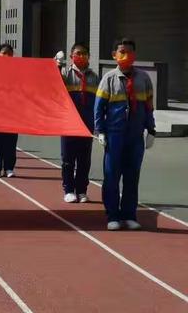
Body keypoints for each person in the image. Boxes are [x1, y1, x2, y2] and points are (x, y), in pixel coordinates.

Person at [95, 38, 156, 231]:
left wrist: (151, 129)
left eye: (130, 52)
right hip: (115, 135)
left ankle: (129, 214)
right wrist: (100, 131)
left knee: (132, 176)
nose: (126, 55)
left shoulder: (144, 79)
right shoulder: (109, 79)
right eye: (122, 52)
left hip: (135, 135)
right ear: (114, 55)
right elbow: (99, 108)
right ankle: (112, 215)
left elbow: (148, 106)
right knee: (112, 175)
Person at [60, 43, 99, 203]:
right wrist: (57, 65)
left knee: (84, 160)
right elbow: (53, 84)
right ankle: (69, 190)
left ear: (89, 56)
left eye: (84, 54)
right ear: (71, 57)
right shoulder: (64, 73)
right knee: (68, 159)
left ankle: (82, 190)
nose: (81, 56)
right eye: (78, 53)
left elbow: (98, 101)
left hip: (87, 124)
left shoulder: (94, 77)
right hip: (68, 124)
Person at [0, 44, 18, 178]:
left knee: (11, 141)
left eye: (9, 53)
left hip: (12, 111)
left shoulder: (16, 70)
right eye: (3, 53)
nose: (6, 55)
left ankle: (9, 167)